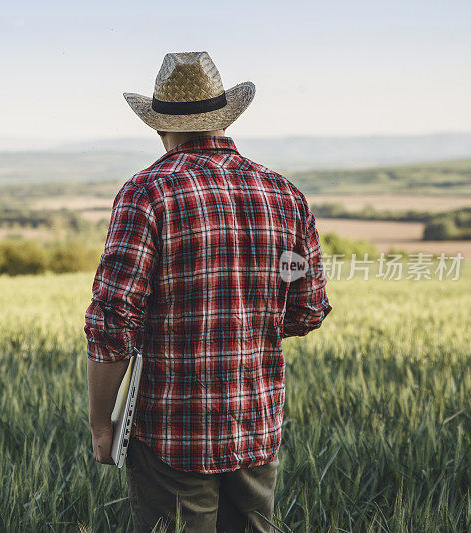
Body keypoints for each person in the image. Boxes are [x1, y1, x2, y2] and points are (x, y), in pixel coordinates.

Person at [84, 51, 332, 532]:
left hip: (171, 431)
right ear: (224, 120)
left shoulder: (148, 192)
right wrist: (247, 319)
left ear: (159, 127)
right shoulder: (284, 194)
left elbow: (113, 322)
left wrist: (100, 425)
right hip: (257, 423)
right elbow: (308, 309)